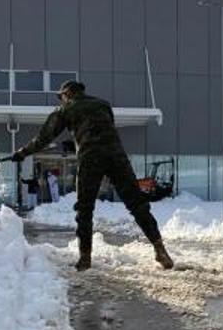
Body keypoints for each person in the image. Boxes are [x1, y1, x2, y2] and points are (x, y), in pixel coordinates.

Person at [11, 80, 173, 271]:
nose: (62, 99)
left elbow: (44, 137)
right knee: (137, 204)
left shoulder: (65, 109)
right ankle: (159, 248)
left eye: (62, 96)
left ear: (67, 94)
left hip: (91, 159)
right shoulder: (103, 104)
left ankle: (85, 258)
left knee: (85, 209)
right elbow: (104, 129)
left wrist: (22, 153)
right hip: (117, 157)